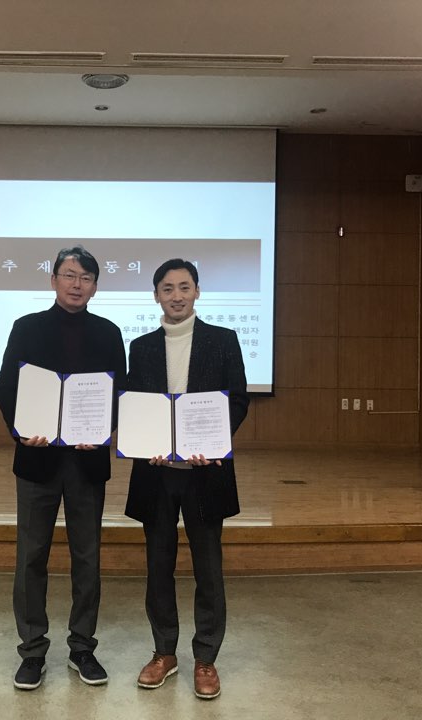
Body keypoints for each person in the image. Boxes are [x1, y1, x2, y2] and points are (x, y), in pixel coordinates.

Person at [0, 246, 127, 691]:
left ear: (95, 287)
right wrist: (21, 430)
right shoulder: (27, 327)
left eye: (86, 278)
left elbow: (119, 393)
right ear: (53, 280)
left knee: (87, 557)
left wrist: (103, 429)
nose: (77, 284)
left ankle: (82, 647)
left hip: (87, 462)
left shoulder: (108, 333)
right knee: (31, 557)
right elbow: (6, 387)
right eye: (69, 275)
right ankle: (32, 651)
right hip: (37, 459)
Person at [124, 258, 249, 700]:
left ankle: (206, 657)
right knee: (158, 568)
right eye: (167, 288)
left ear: (197, 291)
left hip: (205, 473)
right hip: (156, 474)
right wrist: (146, 442)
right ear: (156, 295)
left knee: (208, 569)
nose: (176, 295)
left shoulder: (223, 340)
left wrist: (212, 442)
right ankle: (164, 653)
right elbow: (134, 405)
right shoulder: (141, 347)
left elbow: (238, 401)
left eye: (184, 286)